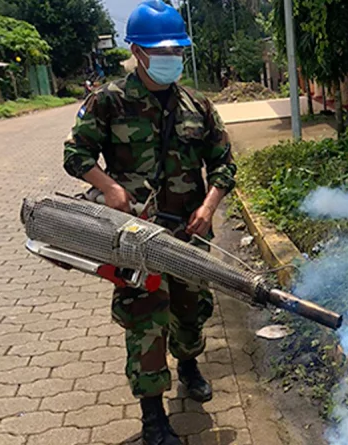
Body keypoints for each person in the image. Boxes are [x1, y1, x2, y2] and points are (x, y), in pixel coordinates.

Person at [62, 1, 236, 444]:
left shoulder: (198, 105)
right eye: (161, 50)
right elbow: (75, 155)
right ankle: (153, 416)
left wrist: (209, 206)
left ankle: (191, 366)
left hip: (190, 232)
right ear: (137, 51)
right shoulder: (109, 101)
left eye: (177, 50)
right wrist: (109, 188)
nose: (170, 58)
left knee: (191, 310)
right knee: (145, 319)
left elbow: (223, 165)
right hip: (135, 237)